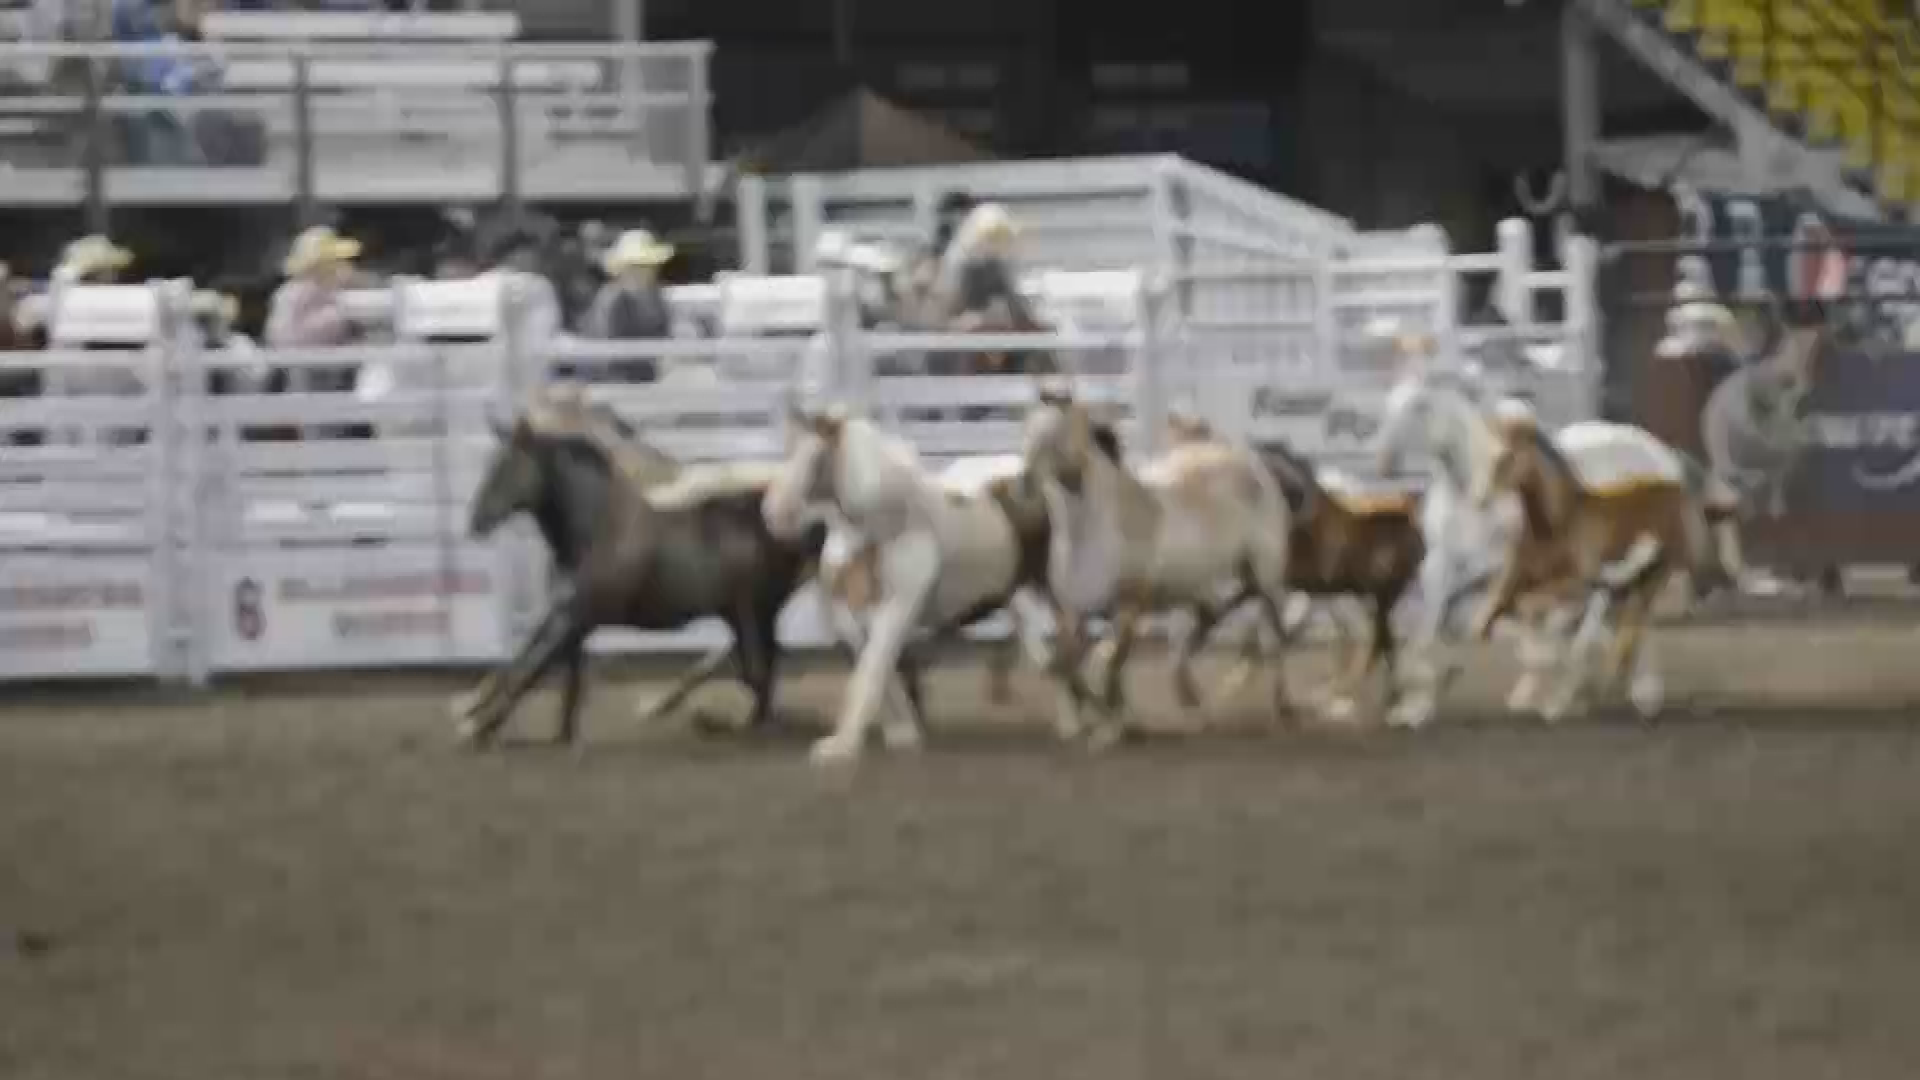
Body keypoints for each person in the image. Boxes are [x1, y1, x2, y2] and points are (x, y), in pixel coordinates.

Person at [266, 224, 366, 438]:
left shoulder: (333, 292)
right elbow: (284, 339)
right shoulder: (293, 294)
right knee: (319, 434)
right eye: (335, 260)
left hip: (336, 378)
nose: (343, 265)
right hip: (309, 378)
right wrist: (339, 316)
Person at [581, 227, 674, 382]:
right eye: (636, 265)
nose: (644, 271)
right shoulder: (611, 299)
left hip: (649, 381)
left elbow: (666, 337)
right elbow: (607, 354)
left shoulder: (656, 297)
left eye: (647, 265)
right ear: (621, 268)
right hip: (614, 383)